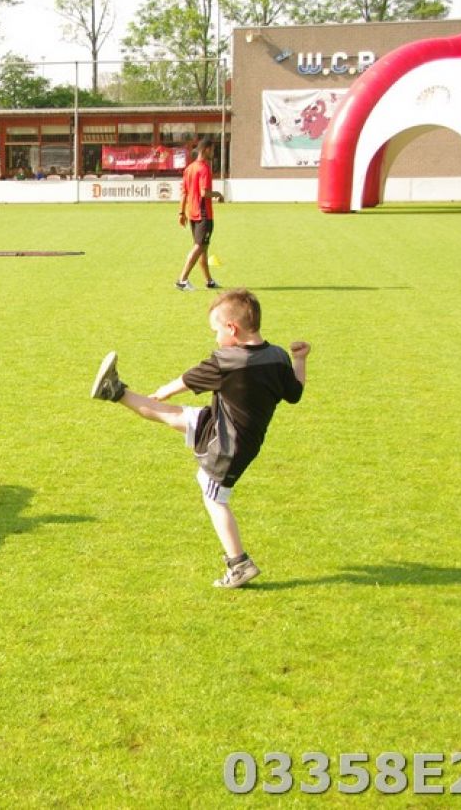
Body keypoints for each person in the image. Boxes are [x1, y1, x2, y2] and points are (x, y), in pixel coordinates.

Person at [89, 289, 309, 588]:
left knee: (214, 498)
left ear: (232, 328)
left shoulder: (229, 360)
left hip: (228, 445)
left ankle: (239, 564)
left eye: (216, 331)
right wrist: (299, 359)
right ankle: (114, 391)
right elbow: (295, 393)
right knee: (172, 416)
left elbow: (188, 379)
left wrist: (164, 390)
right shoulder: (278, 356)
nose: (215, 337)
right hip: (226, 427)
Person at [175, 141, 224, 291]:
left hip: (192, 213)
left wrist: (181, 213)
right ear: (206, 149)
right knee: (199, 247)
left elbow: (184, 192)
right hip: (204, 214)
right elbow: (204, 193)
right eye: (213, 150)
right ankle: (182, 280)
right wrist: (218, 194)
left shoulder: (189, 169)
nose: (213, 153)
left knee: (203, 247)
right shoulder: (204, 168)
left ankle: (209, 281)